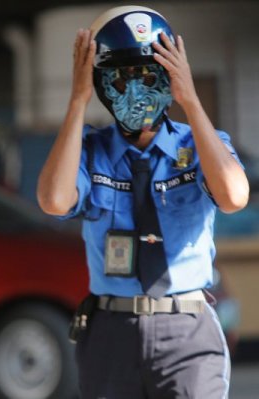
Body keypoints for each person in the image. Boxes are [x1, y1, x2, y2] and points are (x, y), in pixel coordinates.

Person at [37, 6, 248, 399]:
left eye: (151, 76)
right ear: (102, 85)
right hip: (110, 330)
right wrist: (78, 100)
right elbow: (53, 200)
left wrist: (191, 100)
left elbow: (234, 196)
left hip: (187, 330)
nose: (137, 91)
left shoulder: (200, 143)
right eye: (120, 79)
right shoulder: (89, 151)